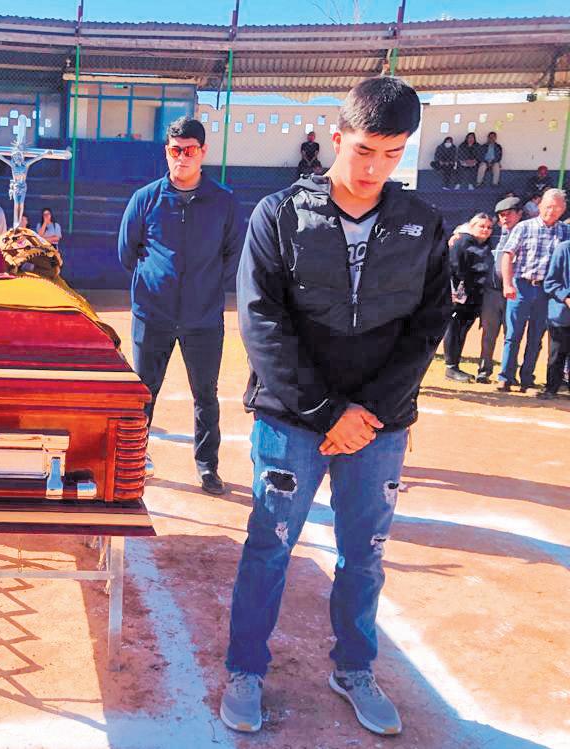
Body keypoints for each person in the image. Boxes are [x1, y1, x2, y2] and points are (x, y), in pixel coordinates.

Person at [222, 76, 449, 737]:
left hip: (379, 425)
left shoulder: (422, 224)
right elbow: (262, 322)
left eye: (393, 153)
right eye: (364, 150)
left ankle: (354, 668)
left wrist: (368, 411)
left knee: (364, 554)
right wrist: (327, 412)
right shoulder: (279, 214)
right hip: (292, 419)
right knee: (269, 546)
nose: (375, 167)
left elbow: (427, 325)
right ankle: (245, 669)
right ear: (337, 135)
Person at [118, 116, 244, 495]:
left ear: (203, 152)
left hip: (203, 319)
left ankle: (208, 467)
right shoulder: (146, 199)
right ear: (166, 152)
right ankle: (133, 459)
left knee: (205, 395)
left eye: (190, 150)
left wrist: (203, 289)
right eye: (175, 150)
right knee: (144, 392)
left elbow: (233, 254)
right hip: (152, 315)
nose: (182, 158)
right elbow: (127, 252)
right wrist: (156, 284)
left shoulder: (223, 201)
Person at [497, 188, 570, 392]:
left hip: (546, 292)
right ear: (540, 206)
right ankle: (505, 377)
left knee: (536, 337)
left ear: (563, 209)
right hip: (521, 286)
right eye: (548, 206)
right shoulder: (524, 227)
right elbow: (507, 255)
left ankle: (527, 379)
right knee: (513, 334)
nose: (551, 211)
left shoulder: (565, 232)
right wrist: (507, 284)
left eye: (557, 208)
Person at [444, 213, 493, 382]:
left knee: (462, 330)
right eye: (481, 226)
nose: (485, 230)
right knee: (454, 329)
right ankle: (451, 368)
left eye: (489, 227)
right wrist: (456, 293)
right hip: (460, 295)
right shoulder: (461, 241)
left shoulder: (487, 245)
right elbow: (453, 268)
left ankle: (455, 366)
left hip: (476, 296)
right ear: (471, 227)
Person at [477, 197, 522, 382]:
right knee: (489, 333)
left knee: (511, 334)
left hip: (514, 292)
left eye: (508, 214)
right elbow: (470, 231)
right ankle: (484, 370)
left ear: (519, 214)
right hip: (492, 292)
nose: (504, 218)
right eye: (501, 215)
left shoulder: (525, 233)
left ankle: (508, 373)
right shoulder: (492, 236)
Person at [539, 237, 570, 399]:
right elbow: (550, 282)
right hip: (562, 312)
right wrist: (566, 298)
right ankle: (551, 388)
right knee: (557, 353)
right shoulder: (564, 249)